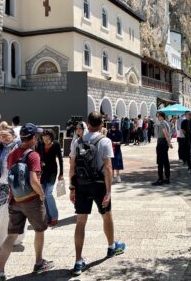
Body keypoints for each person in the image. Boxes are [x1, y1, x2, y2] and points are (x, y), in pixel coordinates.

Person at [0, 123, 53, 281]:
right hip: (31, 200)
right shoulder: (33, 155)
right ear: (33, 138)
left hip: (15, 199)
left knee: (11, 235)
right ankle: (39, 262)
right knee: (39, 230)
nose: (38, 139)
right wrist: (41, 194)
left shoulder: (12, 153)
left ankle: (0, 271)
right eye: (37, 136)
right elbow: (34, 180)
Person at [69, 112, 125, 276]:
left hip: (81, 184)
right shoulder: (104, 141)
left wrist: (72, 188)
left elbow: (72, 166)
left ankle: (78, 261)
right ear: (102, 124)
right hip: (99, 184)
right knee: (107, 215)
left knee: (80, 221)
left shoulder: (77, 141)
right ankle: (111, 247)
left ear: (88, 123)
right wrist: (108, 191)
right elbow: (108, 167)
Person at [0, 127, 23, 253]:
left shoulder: (18, 146)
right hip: (3, 183)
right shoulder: (0, 147)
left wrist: (14, 137)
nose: (3, 138)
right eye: (2, 136)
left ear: (13, 136)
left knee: (17, 211)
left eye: (6, 136)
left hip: (16, 183)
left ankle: (17, 237)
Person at [36, 129, 63, 226]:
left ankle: (54, 216)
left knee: (48, 193)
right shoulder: (40, 144)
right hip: (42, 172)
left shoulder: (56, 144)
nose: (45, 141)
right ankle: (47, 217)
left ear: (51, 138)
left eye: (47, 139)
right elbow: (37, 157)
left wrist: (61, 173)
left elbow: (60, 159)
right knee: (42, 194)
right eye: (43, 139)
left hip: (52, 171)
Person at [152, 111, 173, 186]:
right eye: (157, 116)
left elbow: (166, 133)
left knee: (160, 161)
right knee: (165, 161)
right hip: (162, 142)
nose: (157, 117)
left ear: (162, 116)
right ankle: (166, 178)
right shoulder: (164, 123)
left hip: (162, 143)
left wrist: (169, 143)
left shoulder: (162, 123)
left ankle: (161, 179)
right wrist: (168, 143)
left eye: (158, 116)